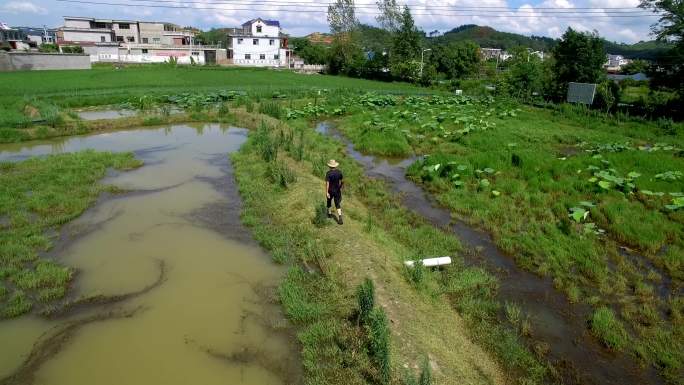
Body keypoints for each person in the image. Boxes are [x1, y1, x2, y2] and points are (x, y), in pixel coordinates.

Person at [325, 159, 344, 225]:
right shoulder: (339, 172)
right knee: (337, 204)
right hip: (337, 190)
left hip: (330, 190)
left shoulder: (328, 173)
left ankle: (329, 214)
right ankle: (340, 217)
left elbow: (327, 183)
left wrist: (327, 192)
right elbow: (342, 181)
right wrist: (340, 187)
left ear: (329, 166)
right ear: (335, 166)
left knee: (329, 201)